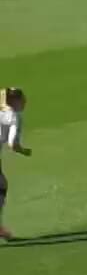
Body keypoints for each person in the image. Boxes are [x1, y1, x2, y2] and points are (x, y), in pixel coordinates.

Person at [0, 88, 30, 242]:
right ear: (15, 101)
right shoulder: (14, 116)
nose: (25, 101)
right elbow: (13, 144)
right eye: (22, 99)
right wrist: (24, 151)